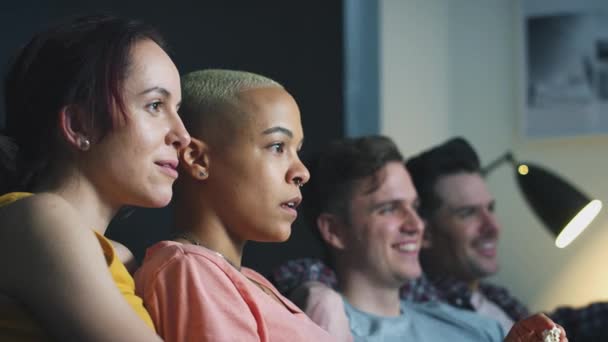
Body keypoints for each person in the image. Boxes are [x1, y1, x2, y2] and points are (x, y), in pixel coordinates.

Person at [0, 14, 190, 341]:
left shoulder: (122, 258)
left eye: (178, 109)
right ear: (78, 125)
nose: (182, 135)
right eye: (155, 105)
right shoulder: (34, 219)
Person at [274, 135, 565, 341]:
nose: (415, 224)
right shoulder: (317, 327)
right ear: (335, 231)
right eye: (388, 209)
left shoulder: (482, 329)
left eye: (414, 207)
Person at [134, 69, 334, 341]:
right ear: (198, 159)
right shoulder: (191, 270)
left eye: (296, 150)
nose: (301, 172)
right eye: (277, 147)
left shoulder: (246, 279)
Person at [404, 137, 607, 341]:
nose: (492, 226)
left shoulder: (495, 297)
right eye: (468, 213)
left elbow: (558, 326)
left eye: (490, 208)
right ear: (425, 232)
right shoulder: (419, 307)